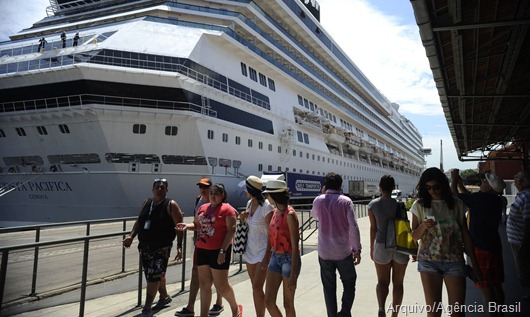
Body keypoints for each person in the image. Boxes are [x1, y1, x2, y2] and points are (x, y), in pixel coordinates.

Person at [410, 167, 481, 317]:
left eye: (436, 187)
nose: (432, 191)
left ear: (443, 184)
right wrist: (423, 226)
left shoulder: (456, 204)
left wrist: (474, 264)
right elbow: (414, 236)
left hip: (454, 261)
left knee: (457, 312)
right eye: (428, 188)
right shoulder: (419, 205)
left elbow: (465, 234)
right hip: (428, 262)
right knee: (434, 312)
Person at [176, 184, 243, 317]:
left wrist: (223, 251)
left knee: (221, 286)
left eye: (216, 193)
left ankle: (235, 309)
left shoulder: (227, 210)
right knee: (204, 285)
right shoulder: (202, 208)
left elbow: (231, 230)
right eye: (211, 193)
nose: (213, 195)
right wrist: (187, 226)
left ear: (222, 195)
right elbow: (197, 225)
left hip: (219, 251)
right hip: (202, 250)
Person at [122, 178, 184, 317]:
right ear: (152, 189)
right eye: (157, 187)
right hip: (144, 247)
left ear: (167, 190)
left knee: (153, 278)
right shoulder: (146, 202)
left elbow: (179, 227)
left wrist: (179, 246)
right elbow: (139, 221)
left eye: (163, 187)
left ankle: (147, 308)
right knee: (154, 275)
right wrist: (131, 236)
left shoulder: (171, 205)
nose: (159, 189)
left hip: (161, 248)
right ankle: (164, 297)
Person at [450, 170, 506, 315]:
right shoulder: (497, 200)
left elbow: (455, 196)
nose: (482, 183)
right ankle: (501, 313)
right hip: (494, 246)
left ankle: (493, 314)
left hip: (481, 248)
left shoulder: (483, 199)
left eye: (485, 182)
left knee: (485, 286)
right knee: (496, 285)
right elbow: (470, 198)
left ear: (489, 187)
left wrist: (454, 178)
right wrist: (462, 186)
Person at [311, 173, 362, 317]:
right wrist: (356, 249)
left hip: (324, 252)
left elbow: (314, 215)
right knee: (349, 283)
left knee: (328, 288)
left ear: (325, 186)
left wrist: (322, 195)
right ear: (341, 186)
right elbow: (353, 227)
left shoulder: (318, 200)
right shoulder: (346, 201)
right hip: (343, 252)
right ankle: (345, 313)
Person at [175, 178, 224, 316]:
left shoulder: (217, 201)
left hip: (215, 245)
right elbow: (196, 223)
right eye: (201, 187)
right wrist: (187, 226)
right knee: (195, 272)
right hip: (200, 243)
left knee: (217, 275)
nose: (203, 190)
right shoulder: (199, 200)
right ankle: (190, 307)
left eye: (206, 187)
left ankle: (219, 302)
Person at [368, 175, 409, 317]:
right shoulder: (400, 205)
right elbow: (405, 228)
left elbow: (373, 228)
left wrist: (371, 248)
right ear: (393, 188)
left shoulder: (372, 205)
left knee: (382, 282)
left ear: (380, 186)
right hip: (400, 247)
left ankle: (381, 308)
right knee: (398, 284)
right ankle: (394, 314)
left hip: (381, 245)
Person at [263, 180, 300, 317]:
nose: (266, 197)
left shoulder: (289, 215)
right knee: (268, 301)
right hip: (275, 258)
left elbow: (296, 245)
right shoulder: (274, 211)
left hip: (289, 259)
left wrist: (293, 274)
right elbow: (270, 234)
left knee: (288, 304)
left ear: (275, 195)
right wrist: (267, 255)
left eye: (268, 195)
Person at [239, 176, 274, 317]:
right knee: (255, 288)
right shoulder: (249, 203)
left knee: (257, 286)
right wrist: (243, 217)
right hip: (249, 250)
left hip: (262, 252)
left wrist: (267, 255)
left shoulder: (267, 207)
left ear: (250, 190)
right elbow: (247, 224)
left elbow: (271, 233)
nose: (244, 192)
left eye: (246, 189)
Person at [506, 169, 530, 300]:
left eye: (517, 177)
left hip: (521, 242)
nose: (514, 179)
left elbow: (528, 222)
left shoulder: (527, 196)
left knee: (524, 268)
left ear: (521, 182)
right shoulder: (522, 195)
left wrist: (524, 245)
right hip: (518, 240)